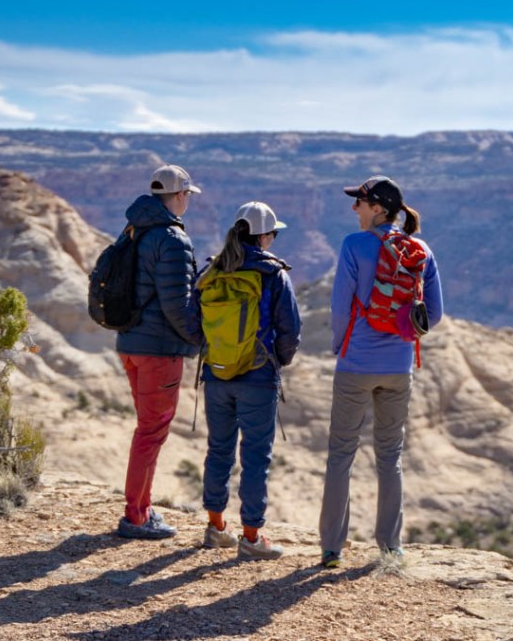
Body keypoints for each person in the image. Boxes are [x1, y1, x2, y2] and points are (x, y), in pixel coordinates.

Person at [318, 175, 443, 568]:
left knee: (341, 455)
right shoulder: (420, 248)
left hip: (355, 364)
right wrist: (402, 336)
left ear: (379, 208)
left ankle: (332, 550)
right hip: (398, 367)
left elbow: (341, 306)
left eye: (360, 202)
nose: (354, 208)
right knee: (390, 456)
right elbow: (434, 313)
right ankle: (391, 547)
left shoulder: (354, 245)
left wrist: (342, 347)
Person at [190, 202, 301, 560]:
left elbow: (194, 321)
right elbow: (290, 330)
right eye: (274, 233)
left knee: (218, 449)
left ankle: (216, 527)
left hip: (217, 374)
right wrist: (276, 362)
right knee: (254, 456)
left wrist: (216, 355)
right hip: (257, 377)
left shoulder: (211, 271)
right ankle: (251, 537)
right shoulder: (273, 274)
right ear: (264, 235)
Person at [115, 164, 202, 540]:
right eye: (187, 195)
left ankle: (141, 509)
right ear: (180, 195)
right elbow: (176, 305)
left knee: (146, 430)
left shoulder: (134, 229)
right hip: (159, 350)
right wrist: (199, 339)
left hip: (130, 343)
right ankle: (136, 515)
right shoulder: (172, 239)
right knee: (151, 433)